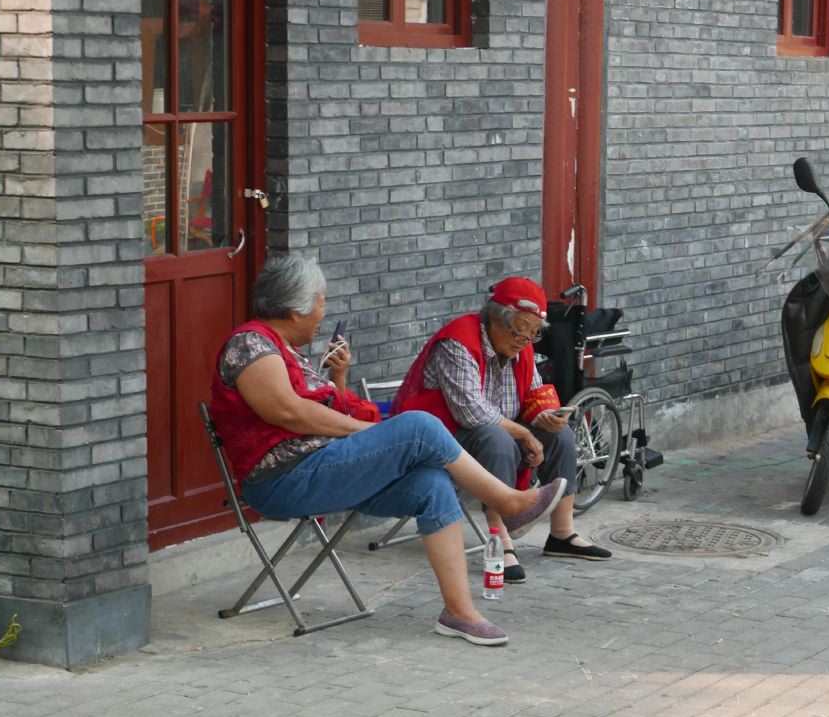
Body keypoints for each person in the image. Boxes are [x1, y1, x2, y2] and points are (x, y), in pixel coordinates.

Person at [208, 256, 567, 647]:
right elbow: (288, 412)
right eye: (322, 304)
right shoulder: (250, 343)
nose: (323, 314)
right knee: (418, 426)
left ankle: (459, 612)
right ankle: (509, 502)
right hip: (284, 479)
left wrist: (339, 381)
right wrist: (371, 432)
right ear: (297, 310)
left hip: (326, 467)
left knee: (431, 484)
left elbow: (324, 409)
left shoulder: (286, 350)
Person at [393, 276, 613, 585]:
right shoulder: (458, 342)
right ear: (495, 320)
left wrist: (546, 416)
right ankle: (501, 543)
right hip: (443, 437)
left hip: (491, 431)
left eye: (533, 334)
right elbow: (471, 413)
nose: (526, 340)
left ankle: (562, 534)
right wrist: (524, 434)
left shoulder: (519, 345)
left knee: (560, 435)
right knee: (496, 438)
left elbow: (534, 392)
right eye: (519, 331)